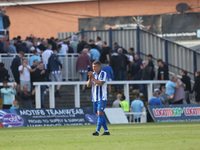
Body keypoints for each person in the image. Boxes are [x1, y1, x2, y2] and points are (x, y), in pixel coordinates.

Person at [87, 60, 110, 136]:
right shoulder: (92, 74)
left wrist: (92, 78)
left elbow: (100, 83)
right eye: (93, 67)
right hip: (95, 98)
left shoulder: (103, 73)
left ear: (99, 67)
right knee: (99, 115)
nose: (94, 68)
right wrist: (90, 79)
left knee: (100, 114)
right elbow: (88, 85)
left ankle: (97, 131)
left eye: (95, 66)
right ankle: (106, 131)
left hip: (102, 97)